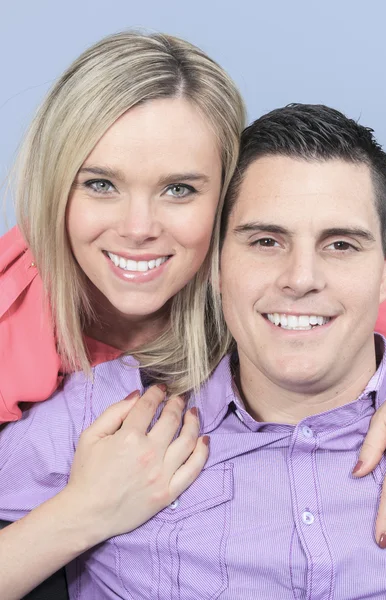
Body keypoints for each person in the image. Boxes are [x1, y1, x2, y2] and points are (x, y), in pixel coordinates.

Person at [1, 103, 386, 599]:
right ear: (214, 263)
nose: (301, 279)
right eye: (265, 241)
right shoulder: (104, 420)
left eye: (340, 245)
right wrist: (81, 513)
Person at [0, 29, 245, 598]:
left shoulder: (288, 288)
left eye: (179, 189)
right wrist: (84, 512)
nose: (138, 228)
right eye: (102, 184)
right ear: (57, 186)